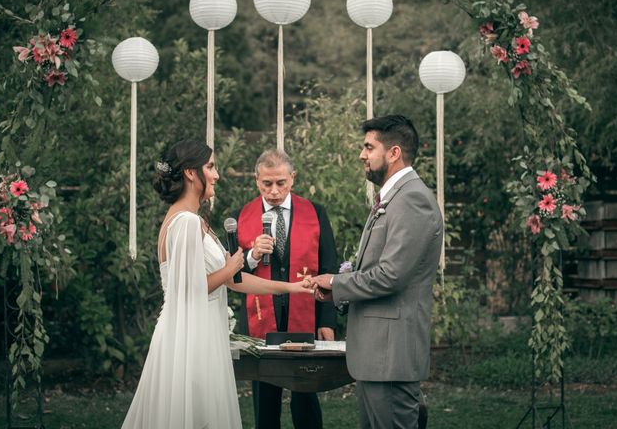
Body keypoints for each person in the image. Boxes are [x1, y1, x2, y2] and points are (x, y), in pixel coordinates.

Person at [121, 140, 312, 429]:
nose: (217, 175)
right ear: (189, 173)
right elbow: (188, 290)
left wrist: (292, 288)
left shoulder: (192, 221)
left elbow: (234, 282)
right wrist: (233, 264)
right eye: (210, 167)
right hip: (189, 340)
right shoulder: (185, 222)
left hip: (199, 333)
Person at [310, 115, 442, 429]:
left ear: (394, 152)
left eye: (369, 147)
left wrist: (335, 281)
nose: (362, 155)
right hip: (377, 357)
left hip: (392, 356)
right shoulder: (393, 197)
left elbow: (390, 275)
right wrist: (336, 292)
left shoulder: (412, 199)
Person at [233, 149, 338, 429]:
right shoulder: (240, 217)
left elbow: (330, 269)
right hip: (260, 322)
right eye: (267, 184)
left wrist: (327, 319)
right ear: (257, 181)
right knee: (265, 404)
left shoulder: (315, 212)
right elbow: (231, 276)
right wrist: (252, 255)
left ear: (292, 178)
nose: (274, 191)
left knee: (306, 397)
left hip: (305, 317)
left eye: (281, 182)